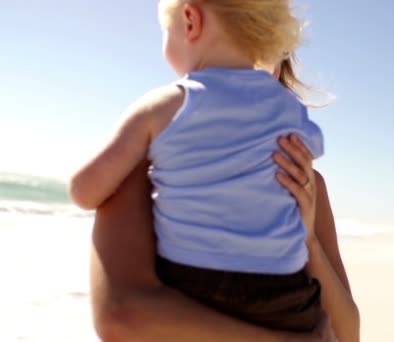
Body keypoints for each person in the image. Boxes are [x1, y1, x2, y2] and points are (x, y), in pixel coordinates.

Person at [90, 58, 359, 341]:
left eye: (259, 45)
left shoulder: (306, 185)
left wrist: (308, 243)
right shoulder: (143, 169)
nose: (240, 64)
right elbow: (119, 318)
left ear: (277, 67)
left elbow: (348, 334)